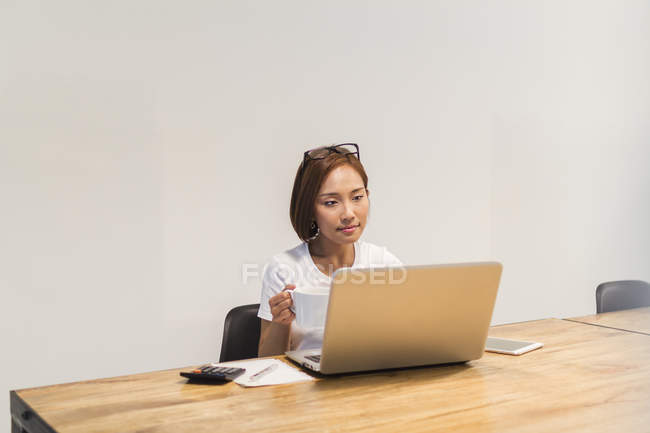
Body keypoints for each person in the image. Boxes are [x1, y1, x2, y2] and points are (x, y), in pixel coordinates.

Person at [257, 143, 402, 356]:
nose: (349, 213)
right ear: (310, 209)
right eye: (331, 202)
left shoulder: (384, 263)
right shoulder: (283, 268)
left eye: (357, 197)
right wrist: (281, 322)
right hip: (306, 384)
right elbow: (266, 360)